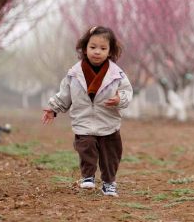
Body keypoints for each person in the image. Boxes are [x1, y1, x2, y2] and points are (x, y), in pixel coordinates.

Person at [42, 26, 133, 197]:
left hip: (109, 122)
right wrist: (53, 109)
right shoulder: (75, 74)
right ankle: (88, 176)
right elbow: (65, 95)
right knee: (86, 147)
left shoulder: (117, 74)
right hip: (83, 121)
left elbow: (127, 92)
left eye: (103, 48)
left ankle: (108, 183)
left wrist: (120, 99)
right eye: (93, 47)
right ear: (85, 48)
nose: (97, 52)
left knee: (111, 156)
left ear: (110, 51)